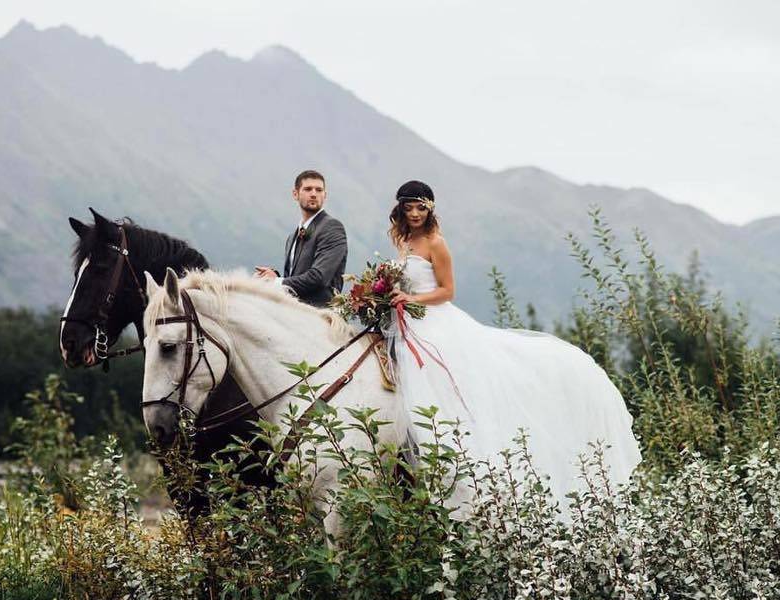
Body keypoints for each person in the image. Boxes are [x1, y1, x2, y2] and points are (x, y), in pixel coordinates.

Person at [383, 180, 642, 511]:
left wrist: (412, 298)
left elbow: (448, 291)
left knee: (437, 381)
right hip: (408, 321)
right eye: (410, 207)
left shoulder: (437, 244)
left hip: (434, 320)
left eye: (422, 208)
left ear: (431, 210)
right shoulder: (404, 240)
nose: (416, 214)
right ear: (401, 209)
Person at [254, 170, 348, 307]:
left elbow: (319, 277)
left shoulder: (332, 227)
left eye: (319, 190)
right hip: (293, 314)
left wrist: (276, 282)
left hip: (321, 317)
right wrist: (273, 276)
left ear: (325, 195)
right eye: (308, 189)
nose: (314, 194)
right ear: (295, 194)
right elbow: (293, 279)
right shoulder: (292, 237)